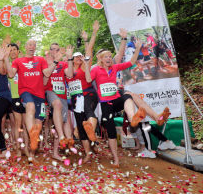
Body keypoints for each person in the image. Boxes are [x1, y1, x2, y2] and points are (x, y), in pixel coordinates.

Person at [85, 38, 146, 167]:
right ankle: (116, 159)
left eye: (110, 56)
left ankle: (132, 118)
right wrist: (86, 65)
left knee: (127, 97)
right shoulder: (96, 69)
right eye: (106, 57)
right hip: (105, 104)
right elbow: (88, 79)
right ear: (101, 59)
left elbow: (132, 62)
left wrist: (138, 48)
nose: (109, 58)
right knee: (111, 132)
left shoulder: (115, 67)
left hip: (116, 100)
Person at [3, 39, 57, 160]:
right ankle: (27, 140)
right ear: (26, 47)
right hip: (25, 91)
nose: (32, 46)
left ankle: (32, 152)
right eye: (29, 45)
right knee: (30, 107)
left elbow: (47, 73)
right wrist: (6, 59)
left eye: (34, 45)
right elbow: (11, 74)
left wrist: (56, 62)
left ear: (35, 47)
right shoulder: (18, 61)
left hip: (40, 94)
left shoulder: (41, 60)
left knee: (38, 123)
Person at [43, 43, 74, 160]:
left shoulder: (64, 63)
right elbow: (45, 80)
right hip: (50, 92)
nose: (55, 52)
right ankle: (61, 136)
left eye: (57, 50)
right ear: (50, 51)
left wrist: (70, 58)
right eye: (53, 50)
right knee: (57, 104)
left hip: (62, 95)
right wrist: (53, 63)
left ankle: (57, 152)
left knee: (63, 122)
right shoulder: (45, 63)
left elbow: (70, 74)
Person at [7, 43, 30, 157]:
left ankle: (26, 147)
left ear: (18, 51)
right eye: (10, 50)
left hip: (25, 95)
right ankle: (18, 149)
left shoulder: (24, 63)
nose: (13, 52)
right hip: (14, 96)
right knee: (18, 124)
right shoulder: (7, 65)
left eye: (15, 49)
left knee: (26, 124)